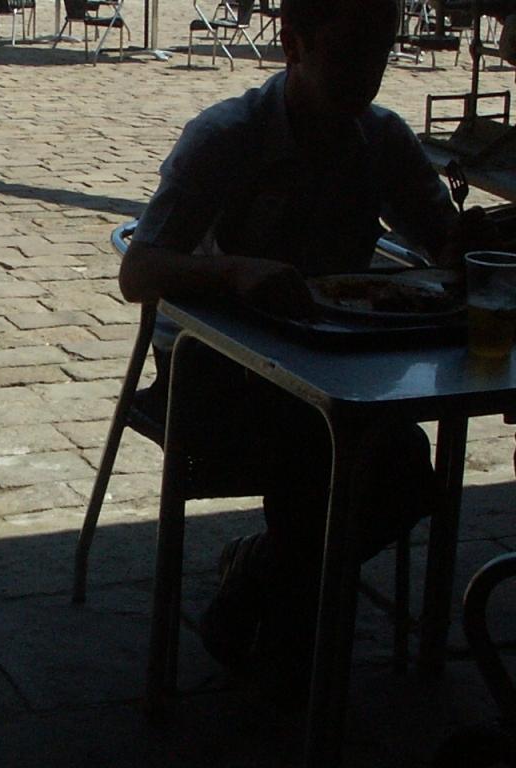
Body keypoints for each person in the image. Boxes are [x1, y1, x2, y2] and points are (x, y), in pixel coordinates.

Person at [120, 0, 487, 700]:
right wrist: (234, 270)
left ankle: (269, 581)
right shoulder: (228, 137)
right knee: (334, 461)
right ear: (294, 43)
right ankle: (293, 622)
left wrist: (461, 245)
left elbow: (437, 237)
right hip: (216, 367)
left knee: (403, 471)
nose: (367, 72)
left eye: (379, 51)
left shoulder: (380, 138)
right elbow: (139, 272)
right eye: (348, 51)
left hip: (337, 363)